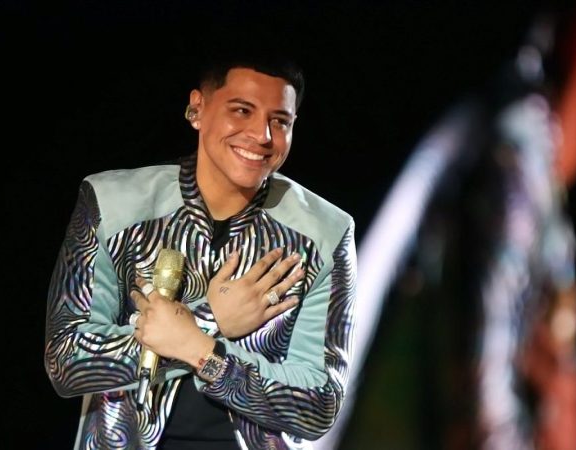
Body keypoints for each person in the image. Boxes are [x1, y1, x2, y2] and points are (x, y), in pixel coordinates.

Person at [44, 54, 357, 450]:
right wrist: (213, 319)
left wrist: (201, 348)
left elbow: (319, 405)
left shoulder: (325, 232)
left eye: (280, 121)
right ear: (197, 108)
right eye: (242, 110)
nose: (262, 134)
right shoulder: (112, 202)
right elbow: (66, 361)